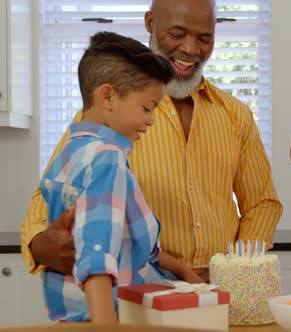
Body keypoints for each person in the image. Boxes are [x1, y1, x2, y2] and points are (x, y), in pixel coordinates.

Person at [20, 0, 283, 284]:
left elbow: (261, 203)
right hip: (137, 290)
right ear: (150, 23)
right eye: (177, 34)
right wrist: (38, 243)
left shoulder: (236, 115)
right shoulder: (109, 113)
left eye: (205, 39)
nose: (191, 49)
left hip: (218, 286)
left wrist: (238, 266)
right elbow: (48, 198)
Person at [39, 31, 203, 323]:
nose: (151, 120)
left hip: (69, 316)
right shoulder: (107, 158)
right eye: (147, 108)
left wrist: (180, 269)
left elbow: (124, 240)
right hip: (111, 316)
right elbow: (97, 258)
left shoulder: (68, 154)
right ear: (108, 96)